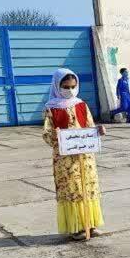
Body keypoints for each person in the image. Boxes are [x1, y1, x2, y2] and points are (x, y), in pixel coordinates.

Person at [42, 68, 106, 242]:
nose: (69, 90)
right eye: (65, 86)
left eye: (72, 86)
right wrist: (55, 135)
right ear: (57, 86)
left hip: (85, 157)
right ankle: (75, 227)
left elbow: (90, 126)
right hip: (65, 159)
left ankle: (90, 225)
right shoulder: (51, 108)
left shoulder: (81, 104)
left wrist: (98, 130)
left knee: (88, 187)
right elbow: (47, 135)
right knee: (72, 189)